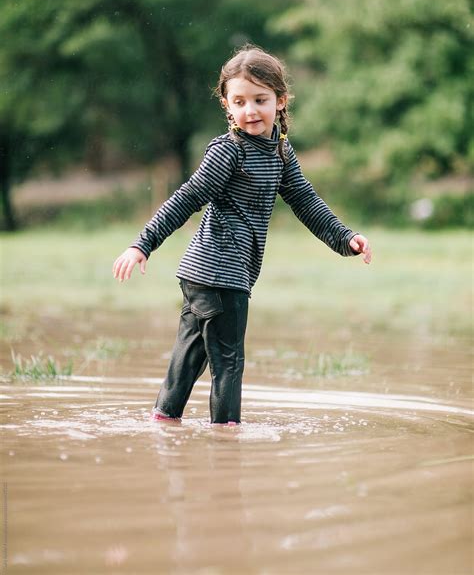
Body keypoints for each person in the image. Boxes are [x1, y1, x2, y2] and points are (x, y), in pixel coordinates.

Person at [112, 44, 372, 425]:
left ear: (281, 101)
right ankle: (227, 438)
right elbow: (188, 197)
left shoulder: (280, 151)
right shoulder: (228, 152)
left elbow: (305, 201)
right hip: (221, 275)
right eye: (240, 101)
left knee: (190, 357)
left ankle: (163, 422)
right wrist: (143, 244)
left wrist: (344, 238)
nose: (251, 110)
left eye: (260, 100)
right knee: (229, 362)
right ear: (227, 106)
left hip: (203, 276)